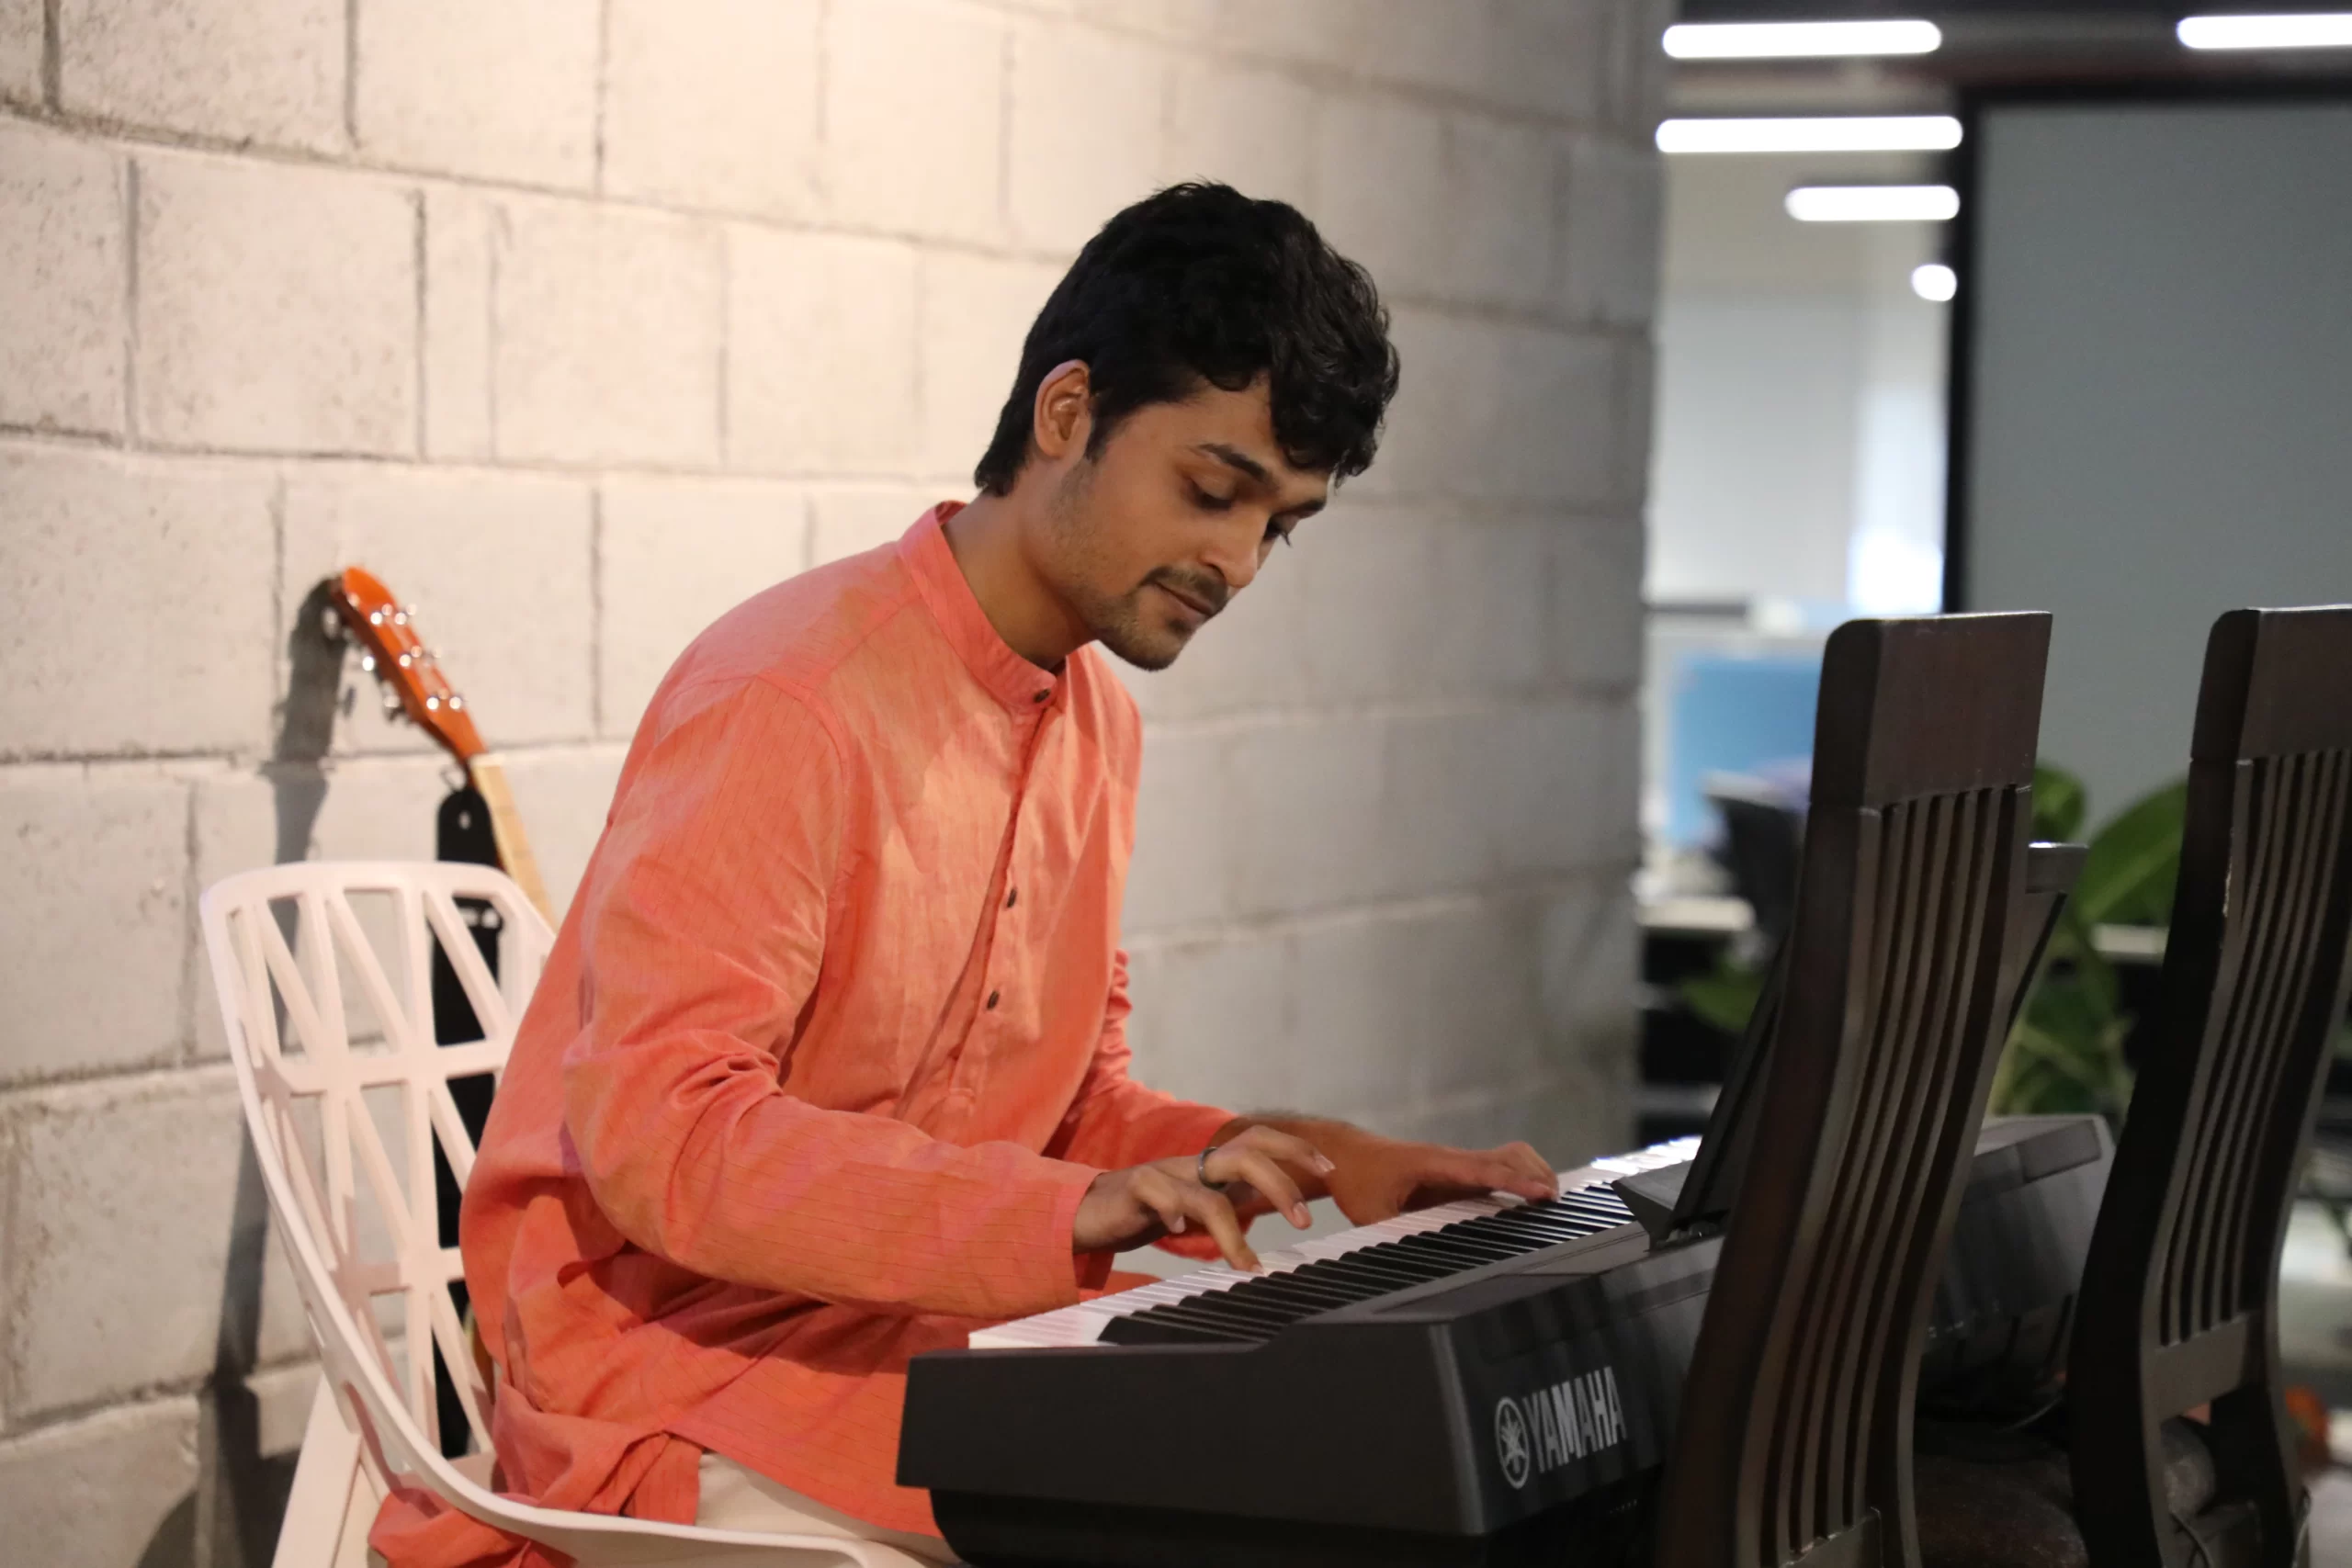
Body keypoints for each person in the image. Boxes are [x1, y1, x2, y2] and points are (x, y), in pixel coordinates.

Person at [373, 183, 1560, 1567]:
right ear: (1067, 413)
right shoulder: (788, 695)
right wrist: (1069, 1210)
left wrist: (1306, 1161)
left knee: (1319, 1483)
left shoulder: (1097, 721)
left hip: (925, 1344)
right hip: (673, 1373)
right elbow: (667, 1136)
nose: (1237, 563)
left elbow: (1069, 1109)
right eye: (1212, 491)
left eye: (1277, 526)